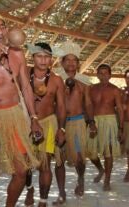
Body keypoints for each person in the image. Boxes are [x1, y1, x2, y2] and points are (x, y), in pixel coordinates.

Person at [0, 3, 41, 206]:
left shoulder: (16, 54)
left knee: (21, 170)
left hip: (13, 116)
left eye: (2, 27)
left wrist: (34, 118)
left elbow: (26, 87)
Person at [51, 41, 97, 205]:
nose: (70, 63)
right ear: (62, 62)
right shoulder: (55, 79)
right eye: (67, 60)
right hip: (58, 124)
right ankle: (62, 193)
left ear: (78, 63)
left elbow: (89, 103)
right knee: (59, 159)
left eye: (74, 60)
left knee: (79, 159)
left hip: (77, 123)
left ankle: (81, 178)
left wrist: (91, 122)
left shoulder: (84, 81)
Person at [24, 42, 66, 207]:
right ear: (33, 57)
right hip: (25, 122)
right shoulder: (24, 74)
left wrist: (61, 129)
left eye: (47, 57)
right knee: (25, 165)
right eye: (39, 56)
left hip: (48, 123)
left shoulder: (56, 81)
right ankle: (30, 189)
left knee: (45, 164)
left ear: (51, 60)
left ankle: (43, 201)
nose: (43, 60)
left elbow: (62, 107)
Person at [87, 64, 123, 191]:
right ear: (97, 75)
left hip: (110, 121)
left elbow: (119, 109)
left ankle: (107, 180)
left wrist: (121, 128)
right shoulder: (91, 89)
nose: (103, 76)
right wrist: (91, 122)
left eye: (105, 73)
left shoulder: (115, 90)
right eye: (100, 73)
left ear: (110, 75)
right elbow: (89, 106)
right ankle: (100, 169)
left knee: (108, 152)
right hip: (94, 121)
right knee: (90, 152)